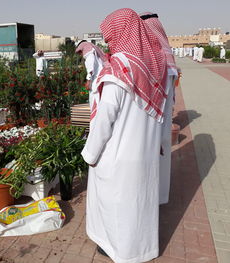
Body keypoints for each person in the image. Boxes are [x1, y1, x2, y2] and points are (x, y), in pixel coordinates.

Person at [81, 8, 167, 263]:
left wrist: (91, 154)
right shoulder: (155, 67)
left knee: (118, 207)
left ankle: (116, 249)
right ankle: (142, 250)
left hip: (118, 155)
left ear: (120, 33)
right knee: (139, 205)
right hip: (145, 152)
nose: (109, 42)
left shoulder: (118, 70)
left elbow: (105, 119)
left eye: (110, 36)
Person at [141, 12, 179, 205]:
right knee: (162, 155)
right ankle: (160, 196)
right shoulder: (169, 56)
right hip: (163, 118)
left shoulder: (156, 58)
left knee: (155, 154)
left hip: (154, 118)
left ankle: (153, 198)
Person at [75, 41, 107, 110]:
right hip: (101, 79)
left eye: (80, 52)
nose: (80, 54)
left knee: (95, 102)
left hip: (96, 81)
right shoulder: (96, 55)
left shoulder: (90, 55)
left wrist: (88, 81)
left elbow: (91, 69)